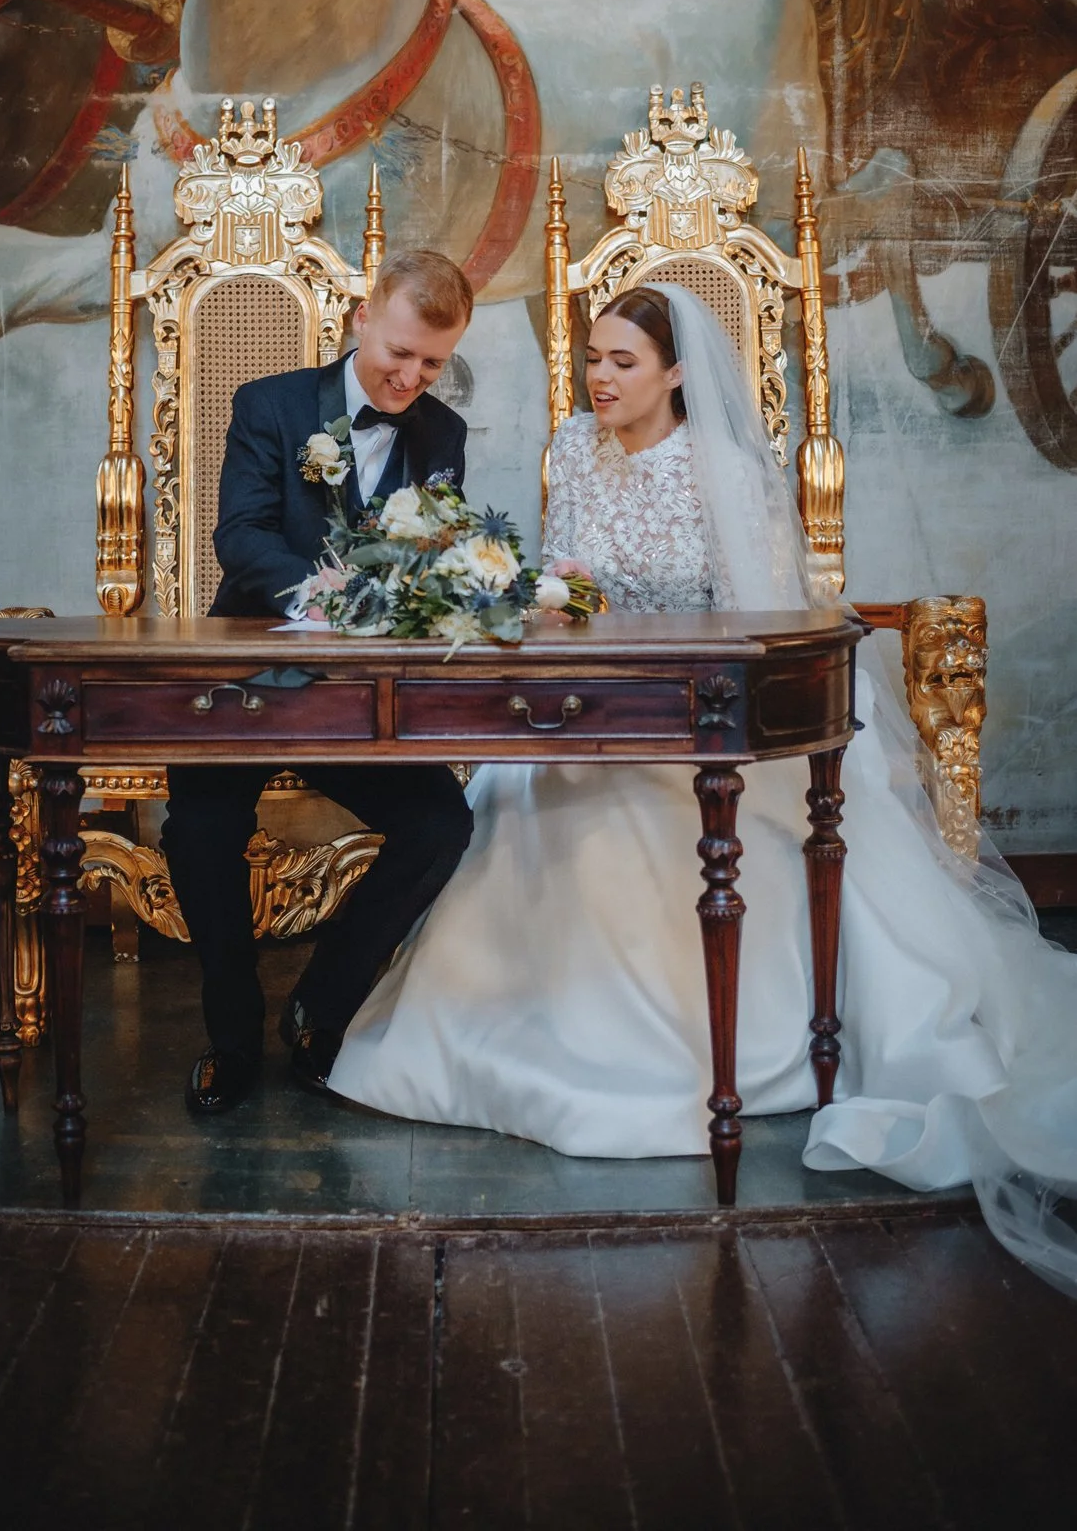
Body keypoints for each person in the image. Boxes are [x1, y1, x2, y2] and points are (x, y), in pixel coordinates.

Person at [330, 283, 1077, 1295]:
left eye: (623, 362)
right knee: (516, 803)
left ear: (677, 373)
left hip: (702, 716)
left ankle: (704, 1053)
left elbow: (758, 622)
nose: (600, 377)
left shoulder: (720, 467)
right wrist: (546, 606)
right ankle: (496, 1039)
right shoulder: (573, 450)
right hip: (587, 706)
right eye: (593, 357)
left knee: (634, 822)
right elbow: (566, 578)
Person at [160, 247, 476, 1117]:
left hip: (357, 695)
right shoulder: (270, 405)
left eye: (431, 363)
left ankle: (321, 1005)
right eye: (398, 353)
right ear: (359, 320)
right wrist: (323, 596)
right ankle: (231, 1035)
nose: (410, 377)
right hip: (246, 678)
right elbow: (241, 536)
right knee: (199, 830)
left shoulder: (442, 435)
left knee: (440, 822)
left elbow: (429, 559)